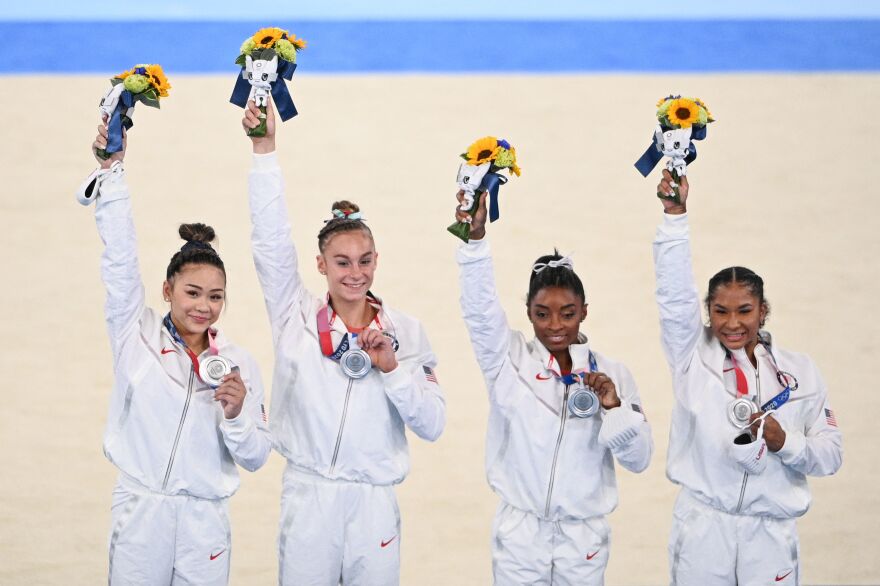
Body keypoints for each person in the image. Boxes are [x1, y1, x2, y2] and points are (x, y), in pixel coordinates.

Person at [241, 99, 446, 585]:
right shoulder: (294, 316)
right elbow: (270, 243)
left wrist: (393, 370)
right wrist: (264, 150)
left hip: (373, 503)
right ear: (320, 265)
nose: (355, 273)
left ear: (377, 260)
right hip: (308, 496)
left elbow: (433, 425)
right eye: (342, 262)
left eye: (364, 260)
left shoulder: (408, 332)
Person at [87, 120, 272, 584]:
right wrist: (113, 174)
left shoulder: (238, 365)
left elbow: (255, 457)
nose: (203, 307)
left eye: (215, 296)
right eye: (192, 293)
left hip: (204, 523)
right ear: (167, 290)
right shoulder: (136, 333)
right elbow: (120, 261)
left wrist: (235, 414)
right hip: (141, 509)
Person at [652, 170, 843, 584]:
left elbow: (830, 456)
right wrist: (674, 216)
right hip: (705, 529)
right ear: (708, 312)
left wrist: (784, 442)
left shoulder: (800, 372)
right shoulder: (692, 358)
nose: (732, 323)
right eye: (720, 311)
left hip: (769, 534)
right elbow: (672, 295)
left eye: (744, 311)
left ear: (763, 311)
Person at [454, 191, 653, 585]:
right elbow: (479, 311)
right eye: (542, 314)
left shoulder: (612, 374)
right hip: (520, 532)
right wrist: (474, 243)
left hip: (584, 537)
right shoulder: (508, 360)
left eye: (567, 313)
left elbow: (640, 459)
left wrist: (614, 408)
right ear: (528, 312)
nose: (555, 325)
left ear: (584, 312)